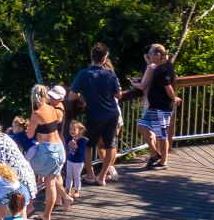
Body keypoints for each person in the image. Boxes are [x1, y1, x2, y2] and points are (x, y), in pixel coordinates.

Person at [16, 83, 69, 220]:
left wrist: (28, 126)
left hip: (47, 151)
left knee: (24, 170)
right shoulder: (53, 108)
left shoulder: (36, 113)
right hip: (59, 149)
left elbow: (29, 135)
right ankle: (47, 216)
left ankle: (28, 206)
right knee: (51, 183)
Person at [71, 43, 124, 184]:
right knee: (110, 145)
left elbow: (71, 96)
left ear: (91, 57)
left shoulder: (83, 74)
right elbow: (118, 95)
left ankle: (90, 175)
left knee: (87, 145)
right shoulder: (110, 74)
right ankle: (102, 176)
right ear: (105, 58)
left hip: (94, 115)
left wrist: (83, 97)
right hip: (112, 114)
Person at [135, 42, 182, 170]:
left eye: (150, 53)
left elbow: (168, 88)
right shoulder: (160, 67)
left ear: (158, 55)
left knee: (161, 135)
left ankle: (163, 162)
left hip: (162, 107)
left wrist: (174, 98)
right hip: (154, 107)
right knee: (142, 126)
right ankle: (156, 153)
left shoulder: (163, 69)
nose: (149, 56)